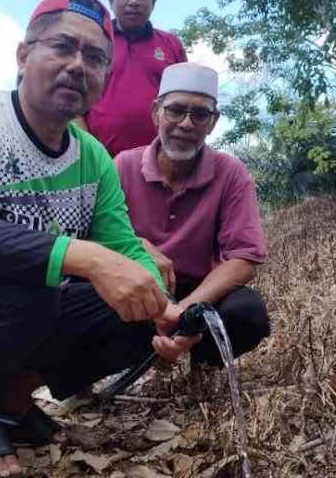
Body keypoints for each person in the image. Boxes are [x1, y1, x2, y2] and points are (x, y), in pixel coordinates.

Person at [0, 0, 200, 478]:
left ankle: (11, 398)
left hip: (20, 312)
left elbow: (120, 246)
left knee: (136, 299)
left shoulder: (92, 157)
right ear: (23, 56)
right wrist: (86, 258)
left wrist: (163, 310)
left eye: (95, 58)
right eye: (63, 47)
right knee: (35, 272)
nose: (78, 65)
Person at [114, 62, 270, 369]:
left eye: (200, 114)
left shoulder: (231, 173)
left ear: (213, 122)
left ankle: (202, 363)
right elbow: (97, 235)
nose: (186, 124)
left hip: (200, 290)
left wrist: (183, 312)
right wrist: (139, 246)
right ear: (156, 112)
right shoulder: (123, 166)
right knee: (88, 300)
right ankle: (137, 359)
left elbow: (244, 259)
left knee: (248, 312)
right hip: (140, 286)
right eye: (175, 110)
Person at [78, 0, 187, 157]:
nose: (134, 1)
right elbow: (75, 98)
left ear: (153, 1)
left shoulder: (171, 45)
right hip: (99, 160)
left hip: (161, 161)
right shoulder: (94, 40)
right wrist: (88, 153)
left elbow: (187, 102)